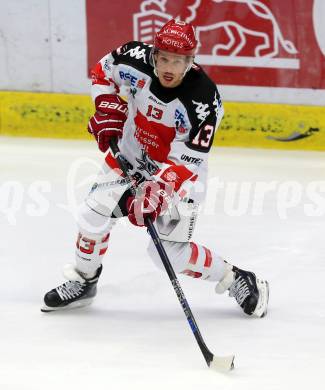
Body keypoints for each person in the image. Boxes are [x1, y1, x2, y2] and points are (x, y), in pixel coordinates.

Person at [42, 19, 269, 317]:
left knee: (169, 256)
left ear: (190, 61)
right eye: (163, 58)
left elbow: (188, 159)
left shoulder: (204, 101)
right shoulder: (134, 58)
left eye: (177, 61)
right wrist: (107, 104)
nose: (169, 67)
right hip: (129, 157)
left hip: (181, 176)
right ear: (154, 54)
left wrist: (159, 191)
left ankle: (235, 277)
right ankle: (85, 281)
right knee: (91, 215)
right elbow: (102, 71)